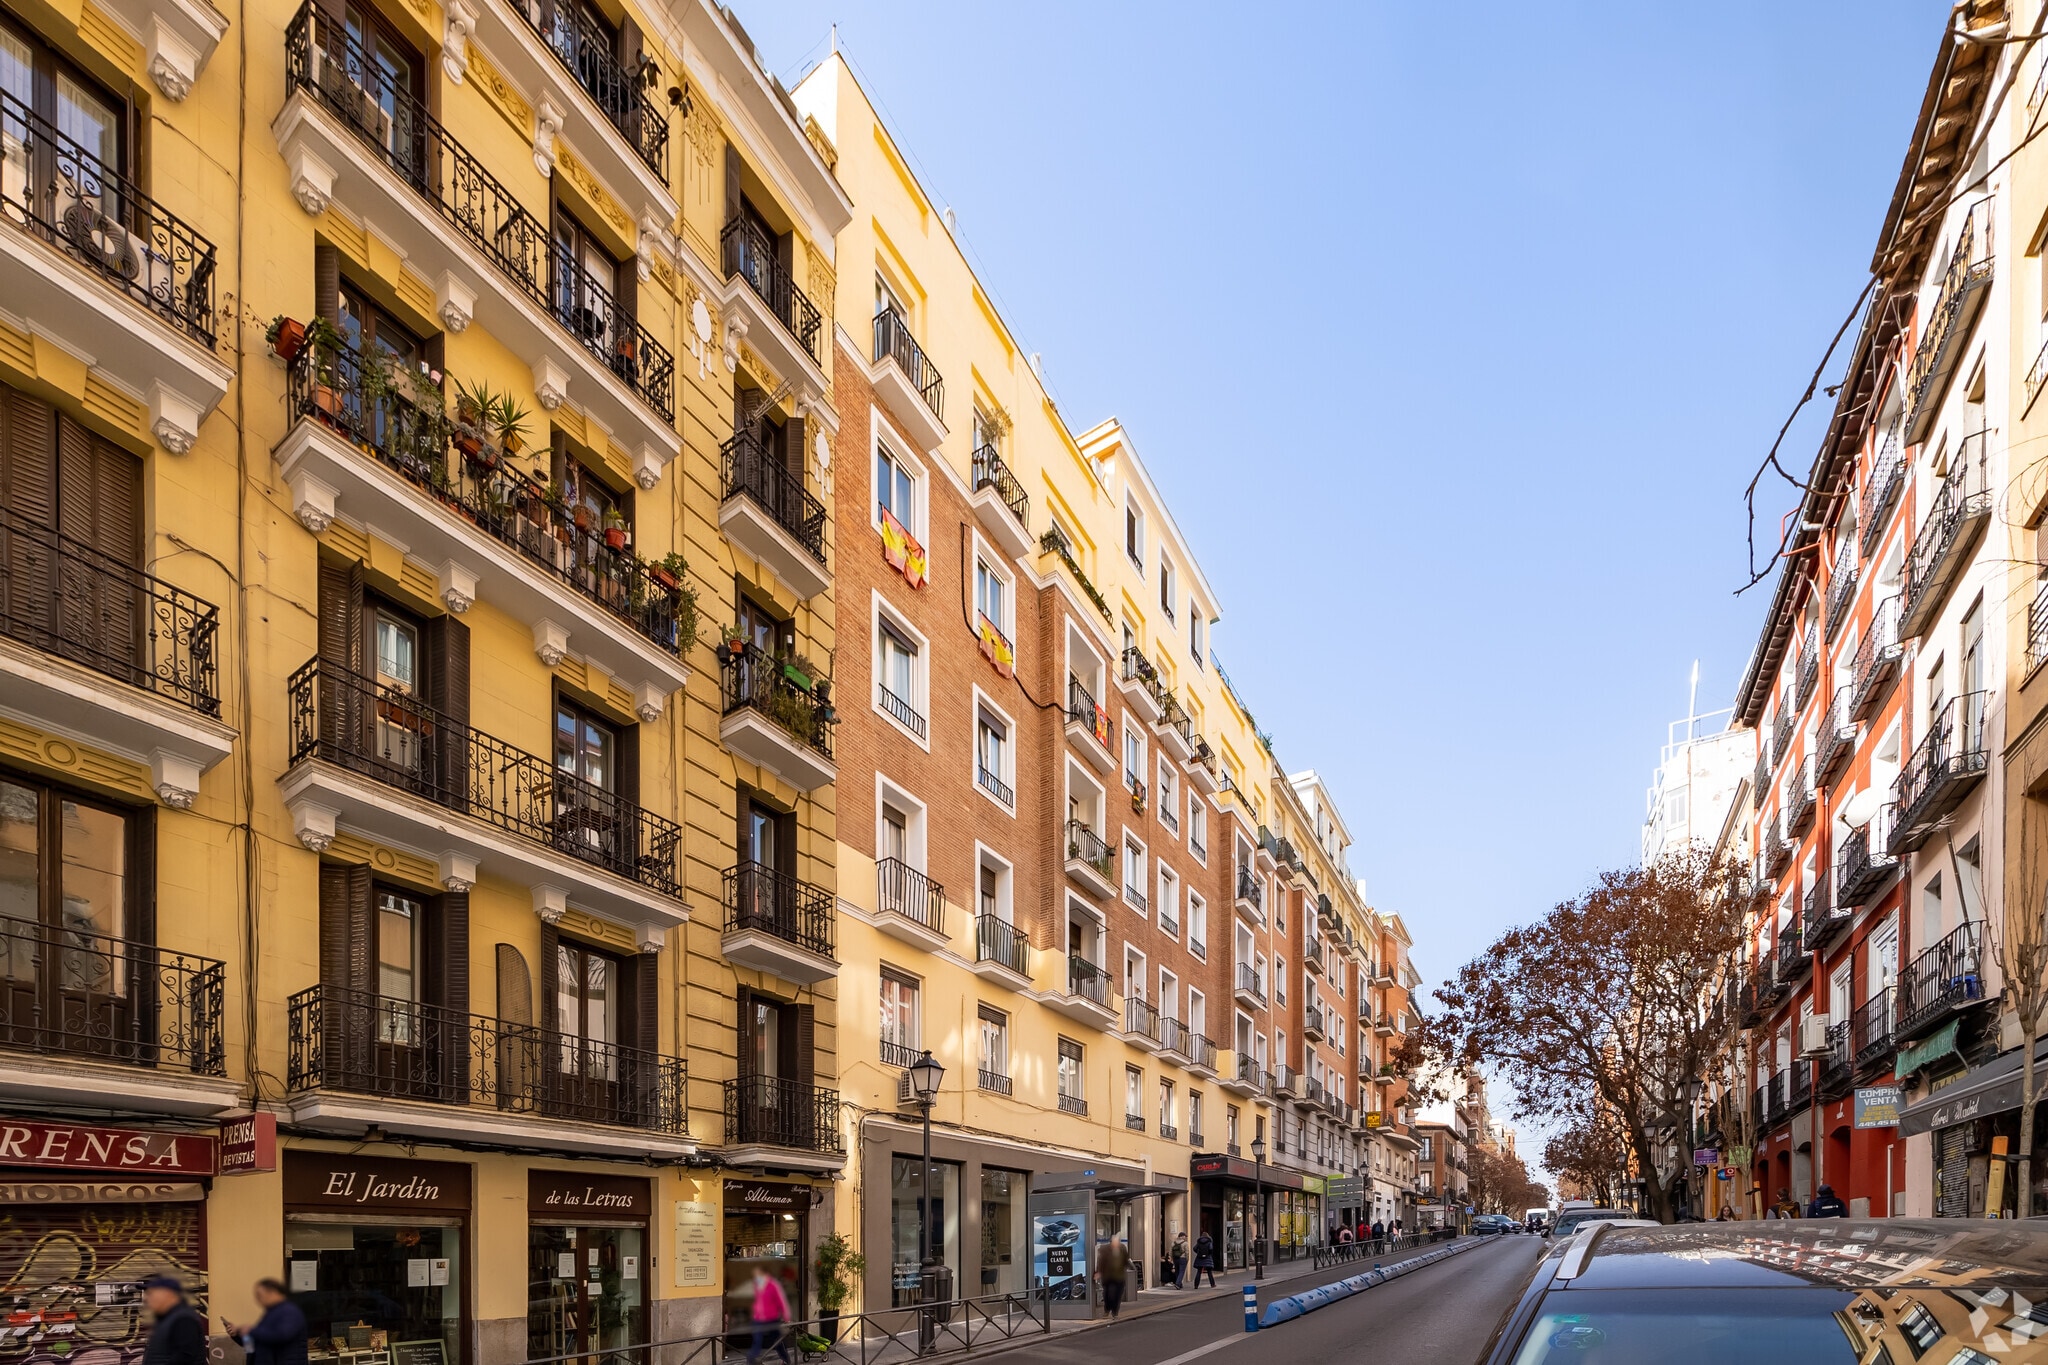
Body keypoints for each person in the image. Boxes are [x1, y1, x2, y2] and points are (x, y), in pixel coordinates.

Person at [224, 1279, 308, 1365]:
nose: (257, 1300)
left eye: (259, 1295)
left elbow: (282, 1335)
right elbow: (252, 1346)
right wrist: (238, 1335)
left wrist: (251, 1331)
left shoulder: (289, 1311)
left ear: (272, 1292)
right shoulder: (271, 1313)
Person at [140, 1276, 205, 1365]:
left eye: (151, 1293)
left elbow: (185, 1357)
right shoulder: (167, 1318)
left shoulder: (184, 1319)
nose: (146, 1298)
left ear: (168, 1294)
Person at [744, 1267, 791, 1365]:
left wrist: (786, 1316)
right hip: (758, 1318)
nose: (756, 1277)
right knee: (757, 1340)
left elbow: (781, 1301)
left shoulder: (773, 1285)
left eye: (758, 1274)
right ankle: (752, 1362)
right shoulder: (757, 1285)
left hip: (772, 1318)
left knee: (777, 1341)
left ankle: (786, 1359)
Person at [1096, 1236, 1131, 1318]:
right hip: (1107, 1276)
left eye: (1117, 1242)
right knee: (1107, 1294)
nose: (1116, 1244)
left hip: (1119, 1276)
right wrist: (1099, 1272)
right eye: (1114, 1242)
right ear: (1111, 1242)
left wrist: (1129, 1267)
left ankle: (1115, 1312)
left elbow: (1126, 1260)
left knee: (1118, 1294)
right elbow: (1100, 1261)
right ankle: (1107, 1310)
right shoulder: (1105, 1249)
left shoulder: (1122, 1248)